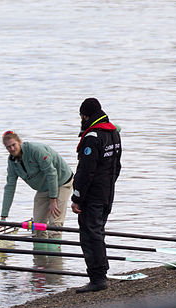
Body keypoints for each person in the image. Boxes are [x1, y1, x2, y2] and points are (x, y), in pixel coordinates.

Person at [71, 97, 122, 293]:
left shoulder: (92, 136)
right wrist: (108, 187)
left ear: (86, 116)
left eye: (82, 116)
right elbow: (117, 166)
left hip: (92, 196)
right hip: (107, 192)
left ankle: (98, 278)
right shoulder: (113, 133)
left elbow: (86, 171)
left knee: (90, 234)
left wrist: (77, 197)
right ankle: (101, 274)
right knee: (98, 232)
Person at [0, 130, 74, 248]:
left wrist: (53, 200)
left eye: (14, 145)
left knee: (54, 224)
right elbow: (10, 187)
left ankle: (55, 262)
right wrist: (3, 217)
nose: (12, 149)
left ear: (19, 142)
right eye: (8, 147)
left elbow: (51, 173)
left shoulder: (35, 150)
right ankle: (40, 263)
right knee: (37, 227)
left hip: (61, 182)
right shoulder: (12, 162)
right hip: (43, 188)